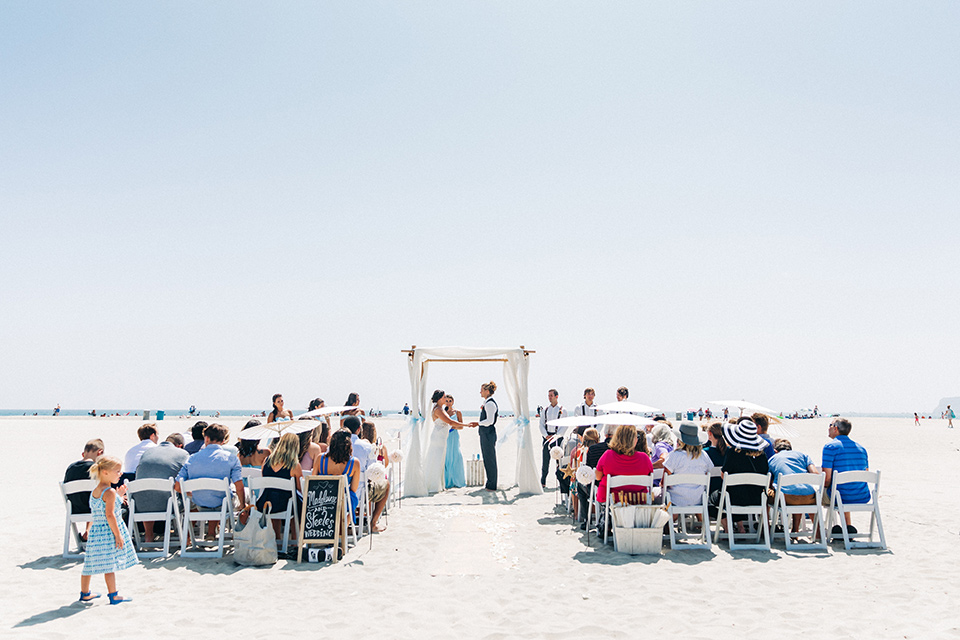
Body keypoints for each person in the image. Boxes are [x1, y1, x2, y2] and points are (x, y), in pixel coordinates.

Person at [79, 456, 137, 605]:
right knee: (109, 565)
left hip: (96, 531)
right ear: (105, 472)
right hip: (107, 531)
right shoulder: (109, 491)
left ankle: (85, 593)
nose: (120, 474)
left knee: (89, 564)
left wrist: (119, 495)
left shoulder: (96, 490)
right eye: (117, 471)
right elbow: (110, 514)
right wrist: (118, 535)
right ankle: (113, 595)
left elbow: (102, 507)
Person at [175, 424, 246, 538]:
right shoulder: (231, 458)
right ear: (223, 441)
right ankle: (238, 535)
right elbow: (239, 485)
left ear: (206, 438)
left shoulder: (192, 458)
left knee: (207, 495)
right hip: (222, 504)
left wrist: (192, 494)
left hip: (200, 504)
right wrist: (242, 504)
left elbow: (177, 486)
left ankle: (204, 534)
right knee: (239, 495)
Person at [710, 419, 769, 533]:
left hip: (734, 498)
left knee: (712, 501)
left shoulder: (733, 453)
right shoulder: (762, 455)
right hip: (756, 499)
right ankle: (740, 526)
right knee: (738, 492)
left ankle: (728, 528)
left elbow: (724, 476)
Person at [595, 424, 654, 534]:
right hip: (638, 499)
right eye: (636, 436)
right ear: (633, 440)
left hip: (613, 499)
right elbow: (650, 475)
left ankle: (608, 522)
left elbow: (598, 477)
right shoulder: (644, 458)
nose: (637, 439)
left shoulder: (608, 455)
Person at [134, 433, 190, 542]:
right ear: (180, 445)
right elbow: (186, 477)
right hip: (167, 505)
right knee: (187, 498)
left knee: (148, 492)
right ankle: (186, 538)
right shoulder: (182, 454)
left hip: (140, 505)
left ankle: (148, 535)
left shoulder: (147, 452)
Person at [821, 417, 870, 533]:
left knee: (816, 494)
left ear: (836, 429)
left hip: (841, 496)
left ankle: (818, 533)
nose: (828, 428)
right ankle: (847, 526)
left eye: (830, 425)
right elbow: (865, 474)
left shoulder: (830, 447)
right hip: (862, 495)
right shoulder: (861, 449)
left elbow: (827, 479)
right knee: (843, 488)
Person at [255, 432, 304, 539]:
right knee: (299, 503)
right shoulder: (294, 465)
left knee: (278, 496)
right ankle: (296, 539)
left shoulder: (266, 461)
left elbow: (265, 479)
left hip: (266, 502)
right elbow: (301, 488)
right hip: (285, 504)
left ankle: (276, 538)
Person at [426, 390, 475, 492]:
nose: (446, 400)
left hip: (443, 437)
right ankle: (434, 484)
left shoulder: (440, 409)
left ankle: (440, 483)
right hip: (439, 437)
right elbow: (450, 421)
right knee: (437, 460)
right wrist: (466, 425)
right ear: (440, 399)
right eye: (444, 397)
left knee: (440, 460)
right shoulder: (438, 410)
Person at [768, 439, 819, 533]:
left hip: (785, 498)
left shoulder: (772, 459)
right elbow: (815, 474)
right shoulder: (803, 455)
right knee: (800, 490)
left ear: (775, 451)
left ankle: (766, 528)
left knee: (766, 494)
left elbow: (769, 482)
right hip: (808, 498)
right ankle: (813, 532)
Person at [313, 430, 360, 523]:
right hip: (343, 501)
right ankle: (343, 529)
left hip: (322, 500)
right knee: (351, 498)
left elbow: (313, 481)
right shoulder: (354, 463)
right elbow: (354, 489)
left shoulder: (320, 458)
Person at [662, 423, 713, 508]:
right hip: (698, 499)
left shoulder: (674, 456)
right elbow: (707, 474)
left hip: (676, 500)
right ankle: (700, 518)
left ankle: (671, 517)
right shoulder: (704, 455)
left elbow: (664, 482)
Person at [64, 439, 105, 541]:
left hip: (75, 508)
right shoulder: (95, 468)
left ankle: (88, 531)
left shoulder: (71, 467)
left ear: (83, 454)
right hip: (93, 508)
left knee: (89, 497)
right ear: (100, 452)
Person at [539, 389, 567, 489]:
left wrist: (557, 436)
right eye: (549, 395)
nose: (549, 397)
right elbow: (541, 424)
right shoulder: (545, 410)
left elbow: (564, 426)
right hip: (547, 437)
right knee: (545, 460)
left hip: (558, 437)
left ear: (556, 396)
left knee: (559, 461)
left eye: (551, 395)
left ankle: (561, 482)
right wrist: (545, 435)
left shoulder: (563, 410)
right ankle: (543, 481)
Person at [478, 381, 499, 491]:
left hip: (488, 433)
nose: (480, 392)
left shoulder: (490, 404)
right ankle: (490, 482)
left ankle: (492, 484)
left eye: (481, 390)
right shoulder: (487, 403)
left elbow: (489, 421)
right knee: (487, 458)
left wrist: (478, 423)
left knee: (490, 459)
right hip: (485, 433)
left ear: (487, 391)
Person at [443, 395, 467, 489]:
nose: (448, 402)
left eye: (450, 401)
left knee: (456, 455)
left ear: (453, 402)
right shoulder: (443, 412)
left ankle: (458, 480)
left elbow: (461, 426)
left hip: (454, 435)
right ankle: (447, 481)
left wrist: (453, 426)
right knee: (446, 457)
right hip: (445, 436)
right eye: (447, 401)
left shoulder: (457, 412)